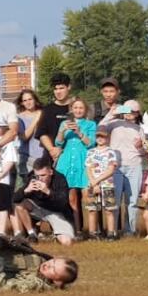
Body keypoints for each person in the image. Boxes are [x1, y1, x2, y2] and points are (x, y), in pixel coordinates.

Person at [100, 100, 146, 235]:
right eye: (127, 110)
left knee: (132, 201)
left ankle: (129, 230)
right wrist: (111, 113)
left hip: (134, 165)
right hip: (115, 167)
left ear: (137, 113)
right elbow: (100, 128)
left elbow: (144, 152)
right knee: (115, 199)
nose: (130, 114)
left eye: (133, 111)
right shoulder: (114, 124)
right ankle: (112, 229)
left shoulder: (139, 129)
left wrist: (140, 147)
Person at [13, 158, 76, 245]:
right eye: (37, 175)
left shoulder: (60, 179)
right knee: (19, 204)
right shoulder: (32, 177)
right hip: (38, 210)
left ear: (51, 172)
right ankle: (31, 234)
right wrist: (26, 190)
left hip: (57, 213)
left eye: (43, 175)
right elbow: (15, 199)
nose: (40, 179)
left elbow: (63, 202)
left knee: (67, 242)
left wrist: (48, 191)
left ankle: (56, 235)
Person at [54, 98, 95, 229]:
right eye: (75, 108)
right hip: (67, 162)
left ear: (85, 110)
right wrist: (62, 131)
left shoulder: (91, 124)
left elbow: (91, 144)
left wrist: (78, 132)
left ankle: (93, 230)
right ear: (71, 109)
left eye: (81, 108)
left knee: (88, 197)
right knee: (72, 199)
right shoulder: (64, 123)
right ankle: (77, 229)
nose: (78, 110)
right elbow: (58, 143)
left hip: (83, 162)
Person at [84, 128, 120, 240]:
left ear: (107, 138)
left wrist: (97, 181)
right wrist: (93, 184)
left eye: (103, 136)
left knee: (109, 210)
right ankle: (92, 233)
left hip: (107, 185)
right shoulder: (91, 152)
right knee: (92, 210)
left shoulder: (111, 152)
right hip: (92, 185)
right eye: (98, 136)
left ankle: (111, 233)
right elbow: (88, 168)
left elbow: (111, 170)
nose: (100, 139)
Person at [36, 73, 73, 164]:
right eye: (55, 89)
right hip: (52, 157)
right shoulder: (47, 110)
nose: (58, 92)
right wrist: (53, 150)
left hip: (73, 155)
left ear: (69, 87)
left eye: (61, 88)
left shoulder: (77, 107)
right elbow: (41, 134)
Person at [15, 89, 44, 176]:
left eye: (30, 99)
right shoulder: (19, 118)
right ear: (21, 103)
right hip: (27, 159)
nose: (28, 102)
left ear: (35, 99)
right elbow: (24, 137)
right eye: (25, 100)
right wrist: (36, 120)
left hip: (43, 157)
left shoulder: (44, 113)